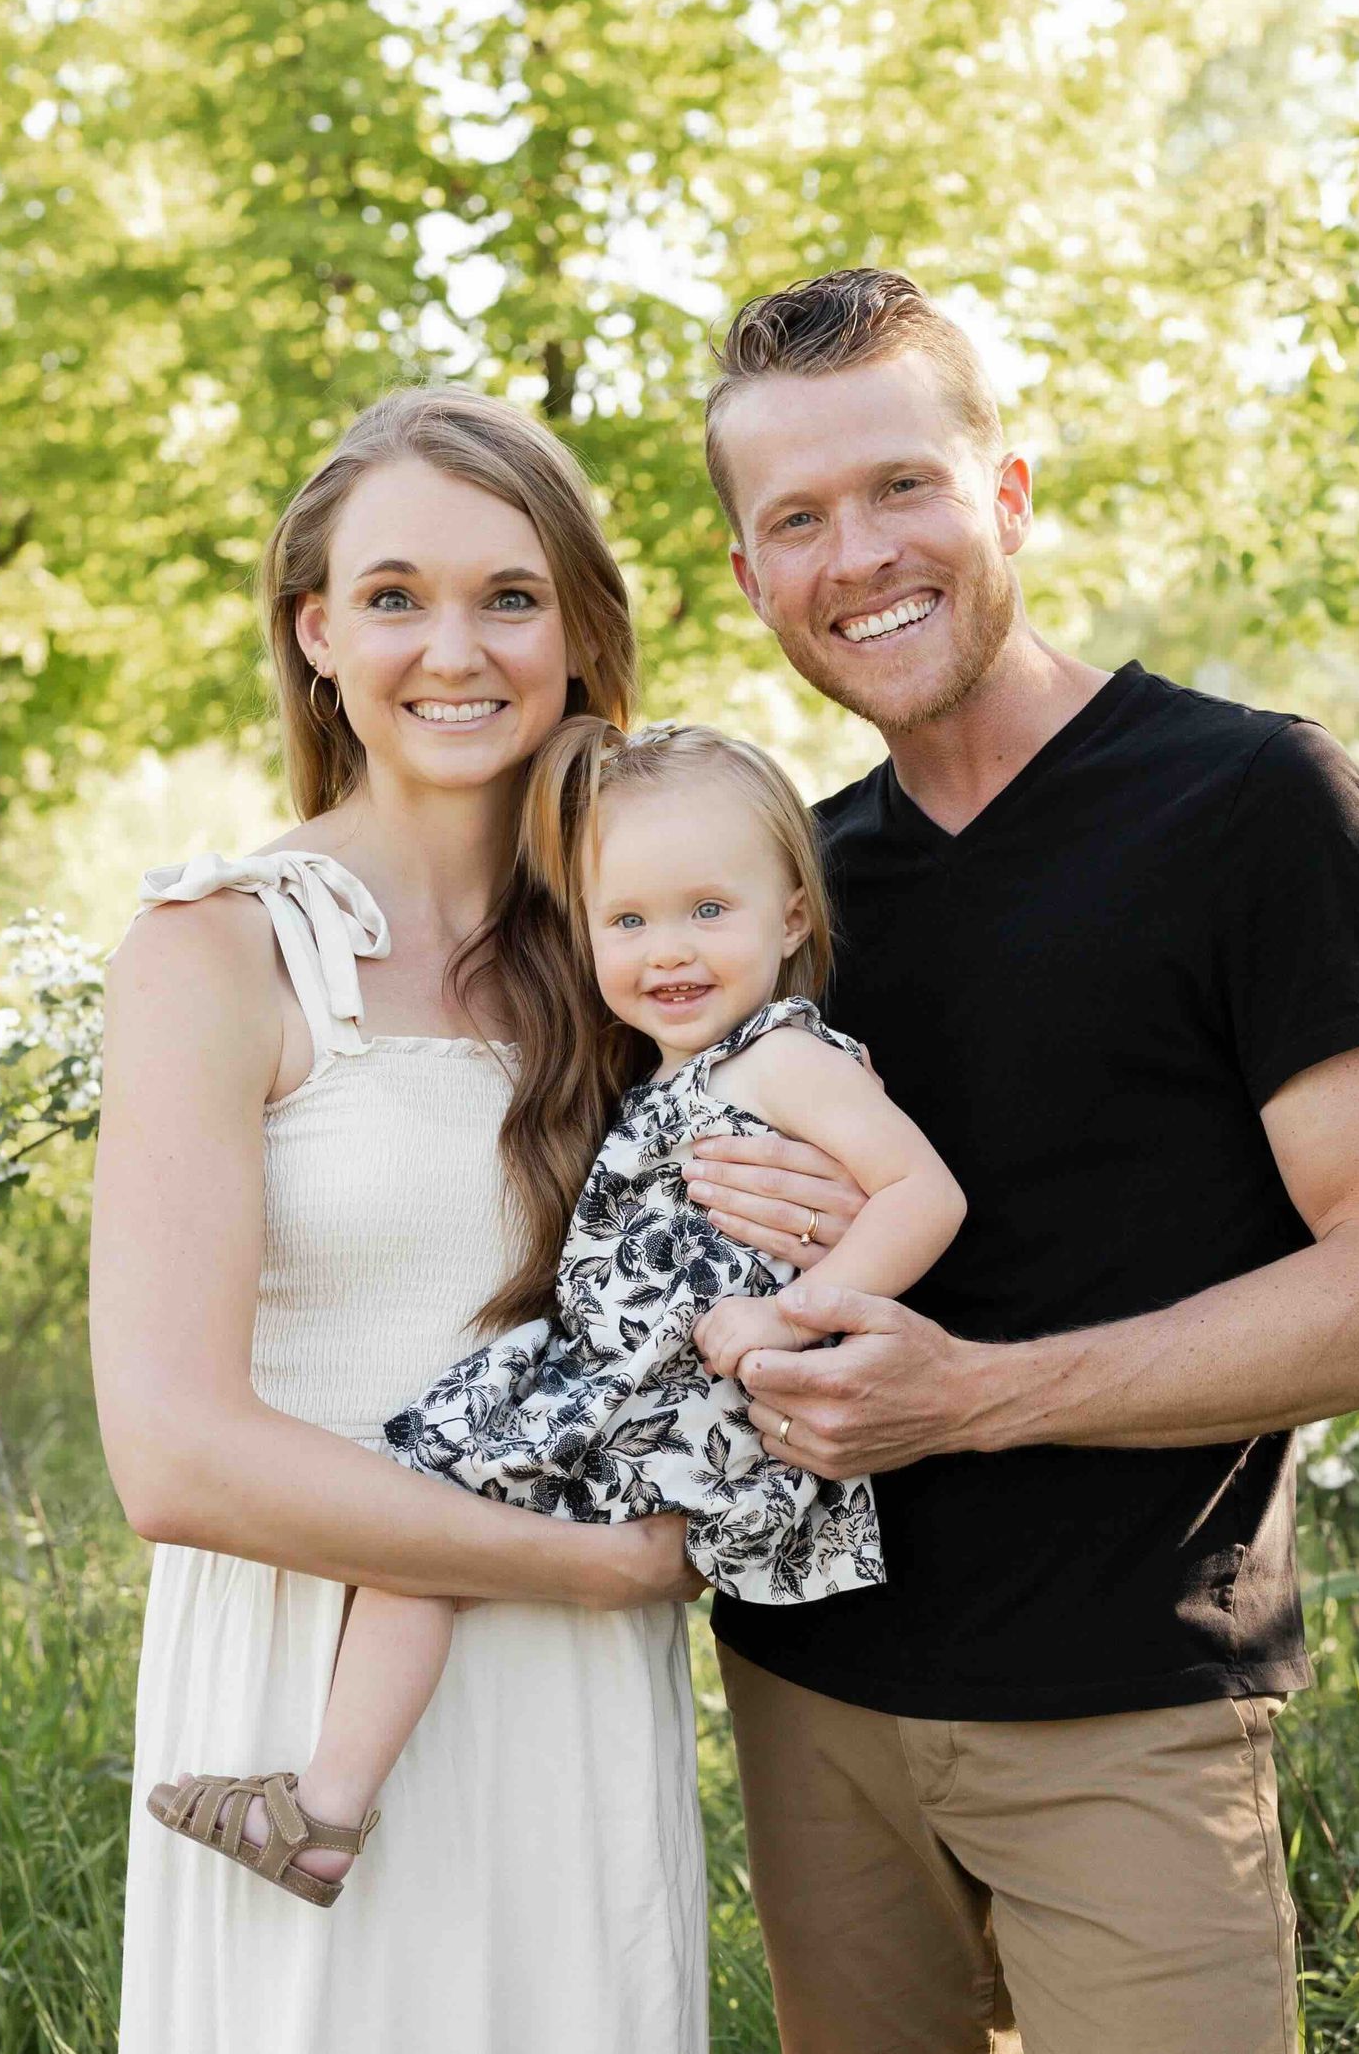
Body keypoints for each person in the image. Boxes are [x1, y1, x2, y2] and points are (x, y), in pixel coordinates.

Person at [680, 270, 1359, 2054]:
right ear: (751, 565)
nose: (856, 555)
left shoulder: (1250, 805)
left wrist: (980, 1392)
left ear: (1010, 491)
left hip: (1130, 1718)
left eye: (900, 486)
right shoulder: (795, 894)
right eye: (794, 518)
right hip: (813, 1703)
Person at [89, 387, 717, 2054]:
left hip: (568, 1720)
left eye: (510, 596)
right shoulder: (217, 952)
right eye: (395, 596)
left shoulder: (648, 959)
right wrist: (598, 1560)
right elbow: (173, 1458)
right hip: (301, 1692)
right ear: (317, 631)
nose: (456, 649)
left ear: (581, 631)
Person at [142, 716, 964, 1903]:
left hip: (693, 1405)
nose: (666, 951)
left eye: (707, 913)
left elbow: (922, 1195)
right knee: (424, 1524)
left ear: (792, 916)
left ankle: (322, 1809)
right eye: (624, 922)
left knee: (420, 1514)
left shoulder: (781, 1059)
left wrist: (798, 1317)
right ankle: (323, 1807)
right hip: (641, 1387)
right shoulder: (682, 1067)